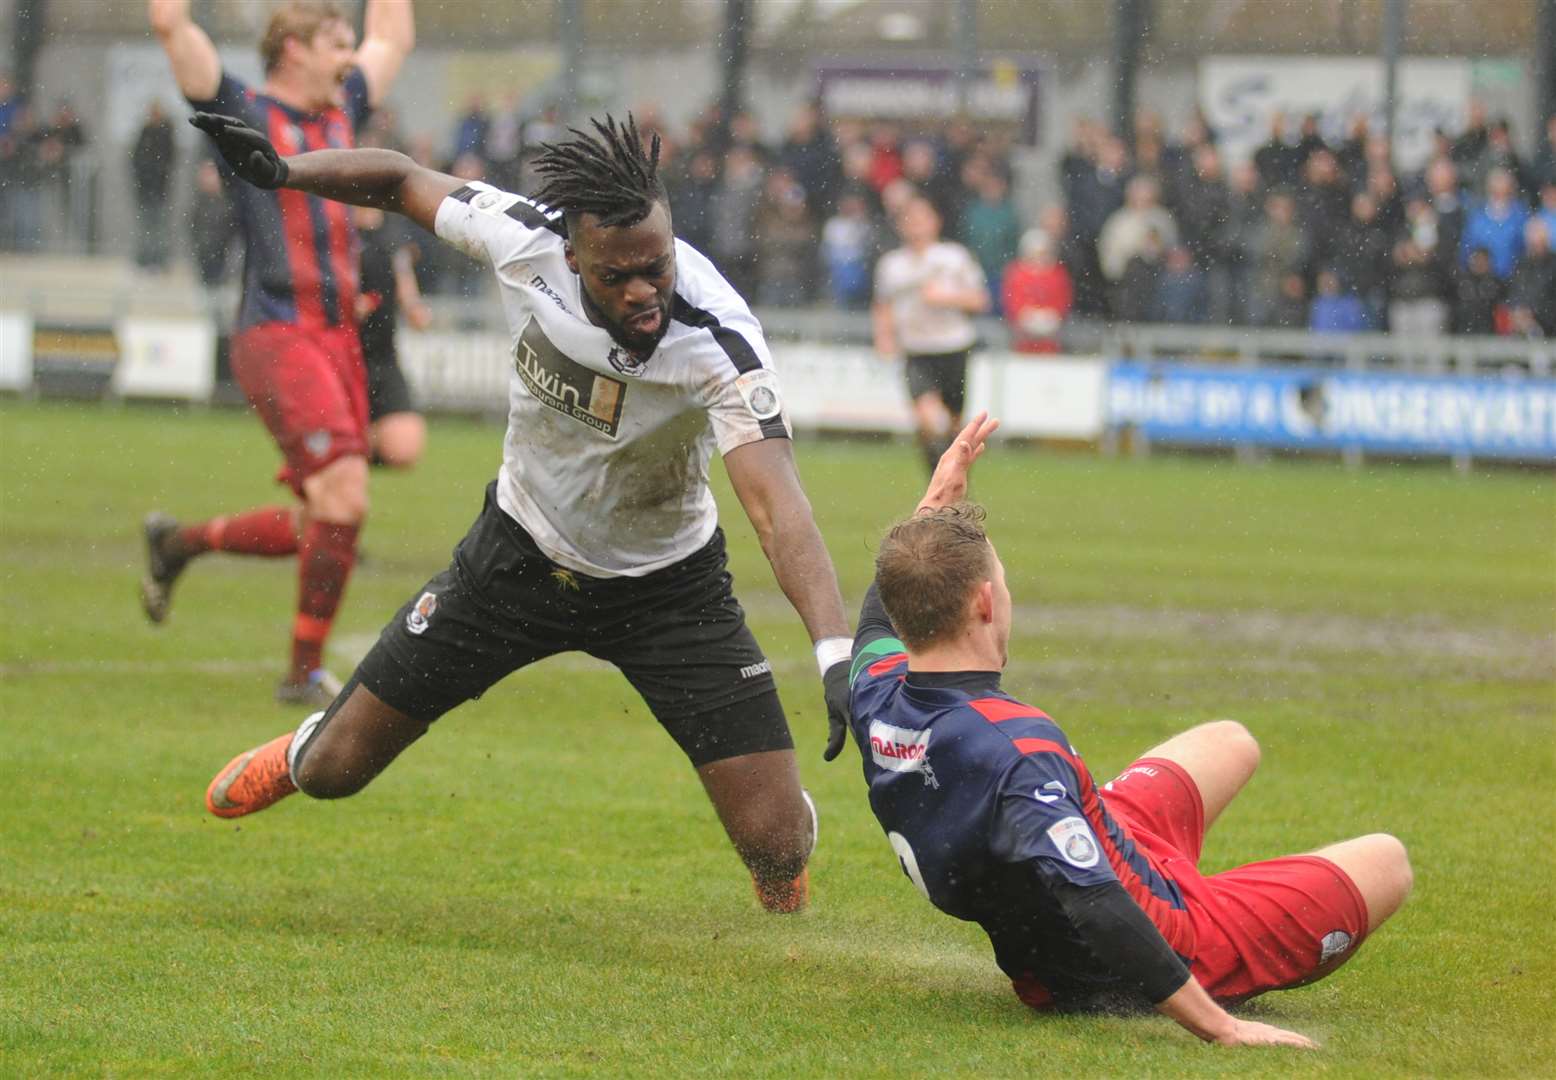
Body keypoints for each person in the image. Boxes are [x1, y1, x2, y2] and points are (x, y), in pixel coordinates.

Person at [188, 111, 856, 914]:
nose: (646, 291)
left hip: (668, 587)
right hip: (514, 558)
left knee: (776, 843)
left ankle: (783, 882)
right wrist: (284, 173)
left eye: (659, 266)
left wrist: (833, 652)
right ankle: (300, 749)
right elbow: (402, 180)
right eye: (619, 277)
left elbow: (777, 505)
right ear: (573, 256)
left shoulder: (718, 339)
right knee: (334, 773)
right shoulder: (520, 238)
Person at [845, 413, 1412, 1045]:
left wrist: (929, 516)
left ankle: (1184, 873)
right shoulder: (1017, 748)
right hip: (1161, 941)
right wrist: (1220, 1028)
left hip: (1102, 854)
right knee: (1389, 861)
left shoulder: (876, 691)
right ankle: (1218, 934)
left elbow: (876, 620)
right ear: (984, 602)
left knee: (1230, 740)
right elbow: (1095, 902)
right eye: (1003, 584)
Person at [141, 0, 415, 705]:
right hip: (276, 332)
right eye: (336, 44)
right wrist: (172, 17)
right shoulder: (243, 108)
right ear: (292, 48)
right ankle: (300, 675)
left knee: (324, 517)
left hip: (338, 340)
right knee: (345, 495)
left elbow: (393, 36)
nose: (351, 58)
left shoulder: (343, 105)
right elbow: (177, 32)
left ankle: (179, 545)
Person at [872, 194, 990, 476]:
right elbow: (882, 304)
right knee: (928, 421)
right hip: (916, 350)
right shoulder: (892, 265)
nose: (916, 225)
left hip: (953, 347)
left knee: (953, 427)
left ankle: (954, 483)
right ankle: (937, 482)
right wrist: (884, 336)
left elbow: (979, 300)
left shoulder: (954, 257)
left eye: (922, 218)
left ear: (935, 222)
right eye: (909, 219)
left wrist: (946, 297)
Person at [351, 203, 429, 467]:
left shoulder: (393, 235)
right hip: (342, 357)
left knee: (403, 451)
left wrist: (414, 307)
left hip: (383, 357)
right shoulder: (339, 230)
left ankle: (359, 443)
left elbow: (406, 286)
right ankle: (353, 443)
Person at [130, 101, 177, 269]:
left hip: (158, 186)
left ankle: (158, 259)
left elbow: (168, 158)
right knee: (147, 223)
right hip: (146, 186)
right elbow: (137, 157)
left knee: (158, 224)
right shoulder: (146, 131)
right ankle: (146, 258)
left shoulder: (164, 133)